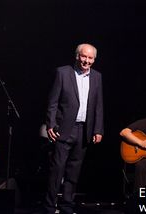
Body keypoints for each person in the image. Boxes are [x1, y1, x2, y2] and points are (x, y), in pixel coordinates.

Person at [43, 43, 104, 214]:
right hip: (63, 129)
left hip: (84, 130)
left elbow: (98, 105)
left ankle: (67, 206)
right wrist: (50, 125)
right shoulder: (63, 73)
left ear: (94, 59)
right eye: (84, 56)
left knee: (74, 172)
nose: (86, 61)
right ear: (77, 56)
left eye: (90, 58)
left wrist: (98, 129)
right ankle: (49, 207)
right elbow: (53, 103)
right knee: (57, 170)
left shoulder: (97, 77)